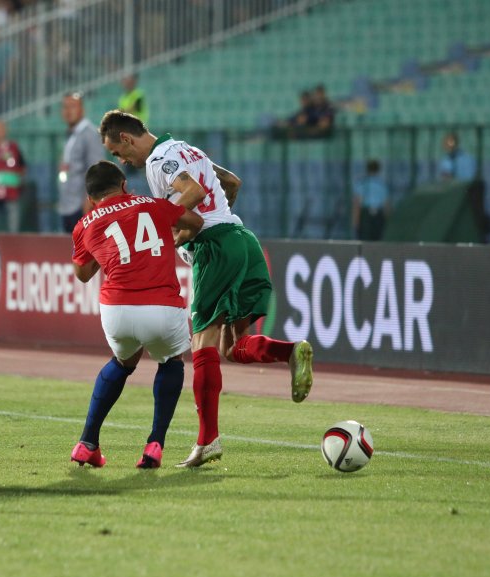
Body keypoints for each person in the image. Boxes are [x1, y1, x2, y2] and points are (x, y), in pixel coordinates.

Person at [99, 110, 314, 468]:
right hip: (242, 239)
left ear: (127, 138)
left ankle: (207, 441)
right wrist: (209, 222)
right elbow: (231, 184)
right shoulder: (187, 149)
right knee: (233, 346)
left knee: (202, 344)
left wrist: (160, 219)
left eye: (118, 153)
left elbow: (194, 191)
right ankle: (291, 352)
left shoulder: (157, 160)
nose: (121, 161)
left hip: (215, 247)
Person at [70, 161, 204, 469]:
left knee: (123, 362)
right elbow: (194, 222)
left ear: (91, 198)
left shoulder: (85, 223)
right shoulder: (154, 205)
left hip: (116, 310)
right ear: (124, 186)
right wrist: (172, 236)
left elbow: (82, 273)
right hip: (161, 306)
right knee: (170, 361)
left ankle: (87, 442)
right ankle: (155, 444)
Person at [58, 93, 101, 233]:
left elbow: (95, 169)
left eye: (73, 106)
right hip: (68, 202)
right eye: (65, 107)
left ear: (82, 109)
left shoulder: (89, 133)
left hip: (81, 205)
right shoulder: (71, 133)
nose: (68, 111)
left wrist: (88, 201)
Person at [352, 160, 391, 241]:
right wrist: (387, 221)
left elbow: (357, 205)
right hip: (378, 216)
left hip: (365, 215)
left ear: (367, 169)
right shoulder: (382, 185)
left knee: (364, 241)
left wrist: (355, 221)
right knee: (376, 240)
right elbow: (386, 206)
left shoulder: (362, 184)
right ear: (378, 170)